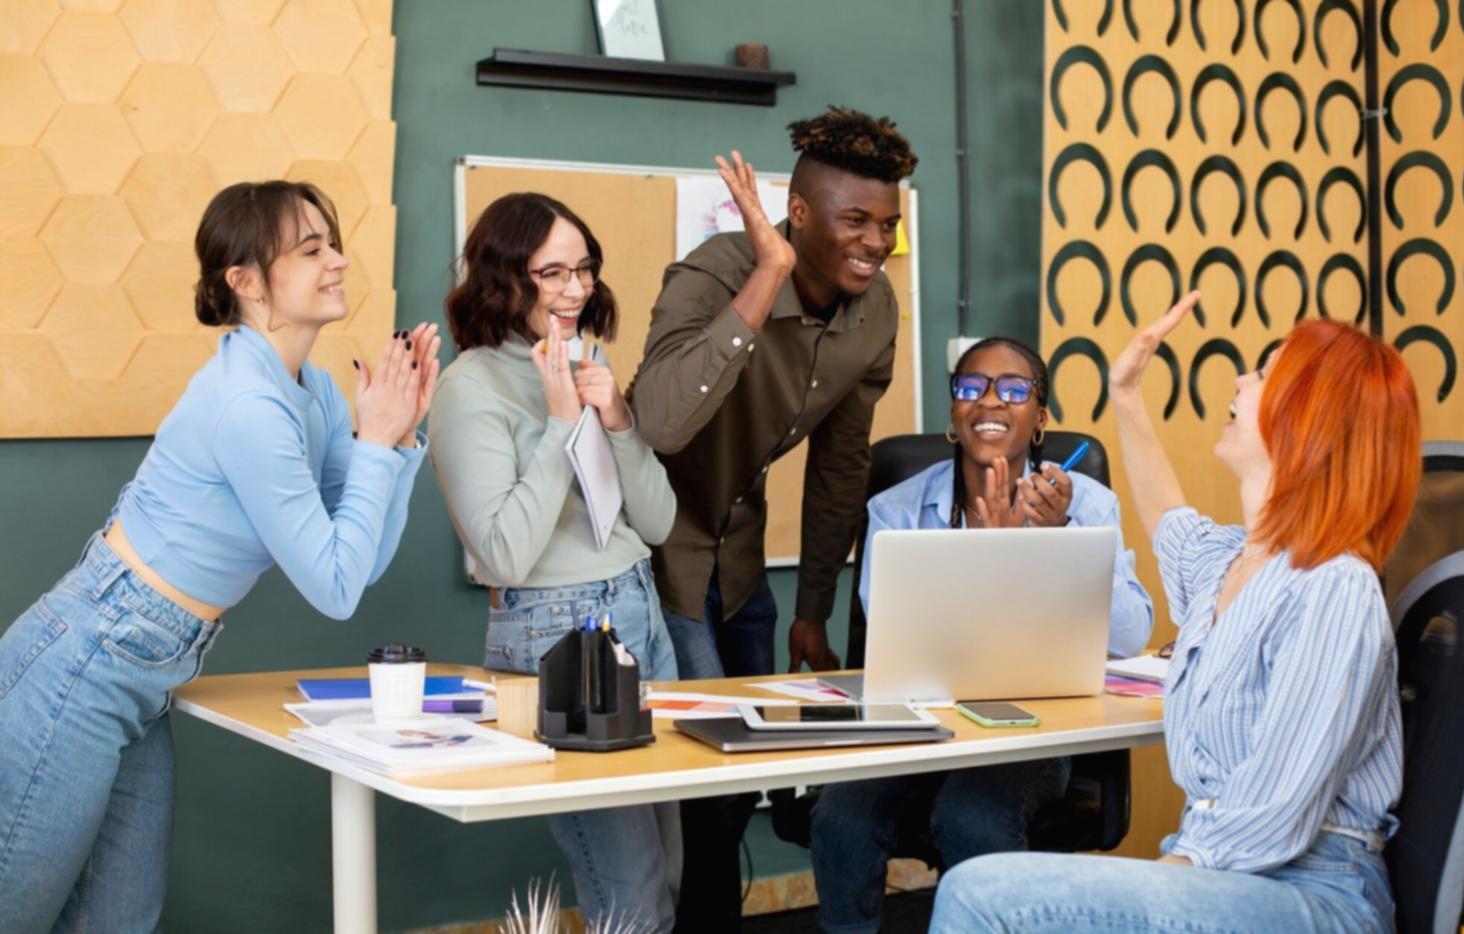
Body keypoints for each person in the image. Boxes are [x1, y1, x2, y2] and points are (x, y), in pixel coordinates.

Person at [0, 180, 438, 932]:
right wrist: (377, 443)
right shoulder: (248, 404)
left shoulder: (315, 389)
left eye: (332, 242)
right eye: (310, 250)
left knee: (120, 919)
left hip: (147, 670)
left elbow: (355, 561)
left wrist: (395, 444)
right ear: (243, 280)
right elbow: (333, 586)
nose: (337, 260)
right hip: (89, 655)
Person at [931, 295, 1421, 933]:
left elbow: (1276, 809)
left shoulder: (1335, 588)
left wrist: (1166, 874)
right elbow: (1168, 518)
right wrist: (1126, 394)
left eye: (1265, 374)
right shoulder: (1231, 564)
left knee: (979, 894)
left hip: (1313, 890)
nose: (1242, 380)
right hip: (1227, 873)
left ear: (1307, 421)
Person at [628, 105, 918, 930]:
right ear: (797, 213)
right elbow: (657, 424)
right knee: (697, 783)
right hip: (656, 550)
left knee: (741, 776)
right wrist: (766, 278)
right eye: (855, 220)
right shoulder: (715, 273)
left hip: (741, 557)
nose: (875, 242)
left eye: (888, 225)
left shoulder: (877, 310)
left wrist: (815, 610)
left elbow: (840, 468)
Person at [811, 336, 1153, 934]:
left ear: (1040, 417)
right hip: (920, 726)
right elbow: (891, 626)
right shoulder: (896, 507)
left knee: (971, 817)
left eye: (1014, 390)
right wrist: (984, 552)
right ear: (954, 410)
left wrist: (1056, 540)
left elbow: (1131, 635)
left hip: (1030, 730)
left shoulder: (1087, 505)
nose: (989, 402)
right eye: (971, 387)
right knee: (841, 815)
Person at [428, 192, 682, 931]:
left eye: (586, 270)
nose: (576, 289)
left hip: (640, 606)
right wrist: (562, 426)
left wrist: (621, 422)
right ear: (501, 279)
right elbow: (504, 553)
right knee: (627, 888)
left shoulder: (588, 358)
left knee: (669, 865)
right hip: (560, 631)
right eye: (553, 273)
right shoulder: (467, 388)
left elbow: (659, 521)